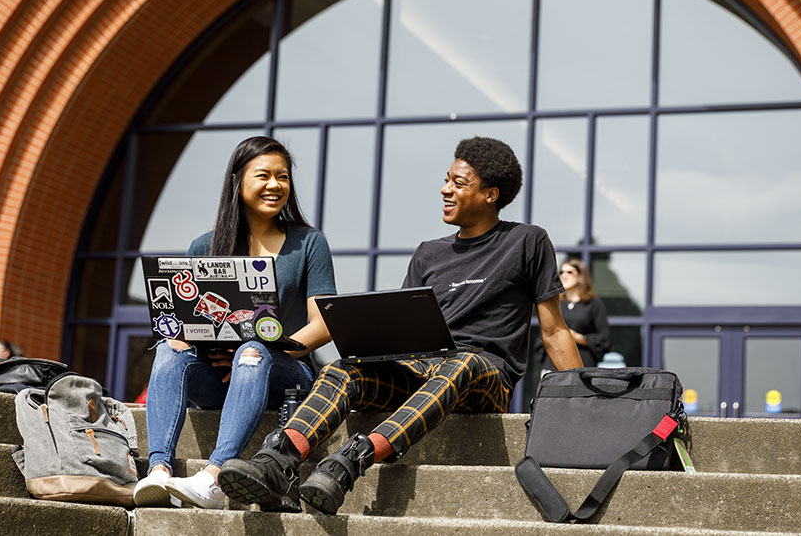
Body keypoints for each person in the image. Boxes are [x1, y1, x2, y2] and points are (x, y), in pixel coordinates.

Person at [216, 136, 583, 515]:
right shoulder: (429, 252)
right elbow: (404, 329)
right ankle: (279, 461)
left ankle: (354, 459)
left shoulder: (527, 241)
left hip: (484, 378)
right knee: (343, 369)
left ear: (490, 195)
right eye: (446, 180)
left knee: (463, 361)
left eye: (458, 183)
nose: (445, 189)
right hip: (422, 370)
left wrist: (584, 401)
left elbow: (554, 331)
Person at [133, 136, 336, 510]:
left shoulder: (309, 243)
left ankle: (212, 477)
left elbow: (322, 325)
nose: (275, 185)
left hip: (285, 372)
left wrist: (261, 347)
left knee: (253, 350)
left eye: (283, 177)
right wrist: (181, 337)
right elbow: (187, 322)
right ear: (237, 181)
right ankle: (159, 471)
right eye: (264, 176)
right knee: (167, 348)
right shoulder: (204, 246)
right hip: (217, 378)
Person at [540, 258, 610, 370]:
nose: (564, 276)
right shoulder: (555, 304)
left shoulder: (593, 304)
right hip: (555, 365)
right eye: (561, 272)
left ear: (580, 277)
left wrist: (578, 337)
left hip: (583, 364)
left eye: (570, 272)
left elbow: (604, 339)